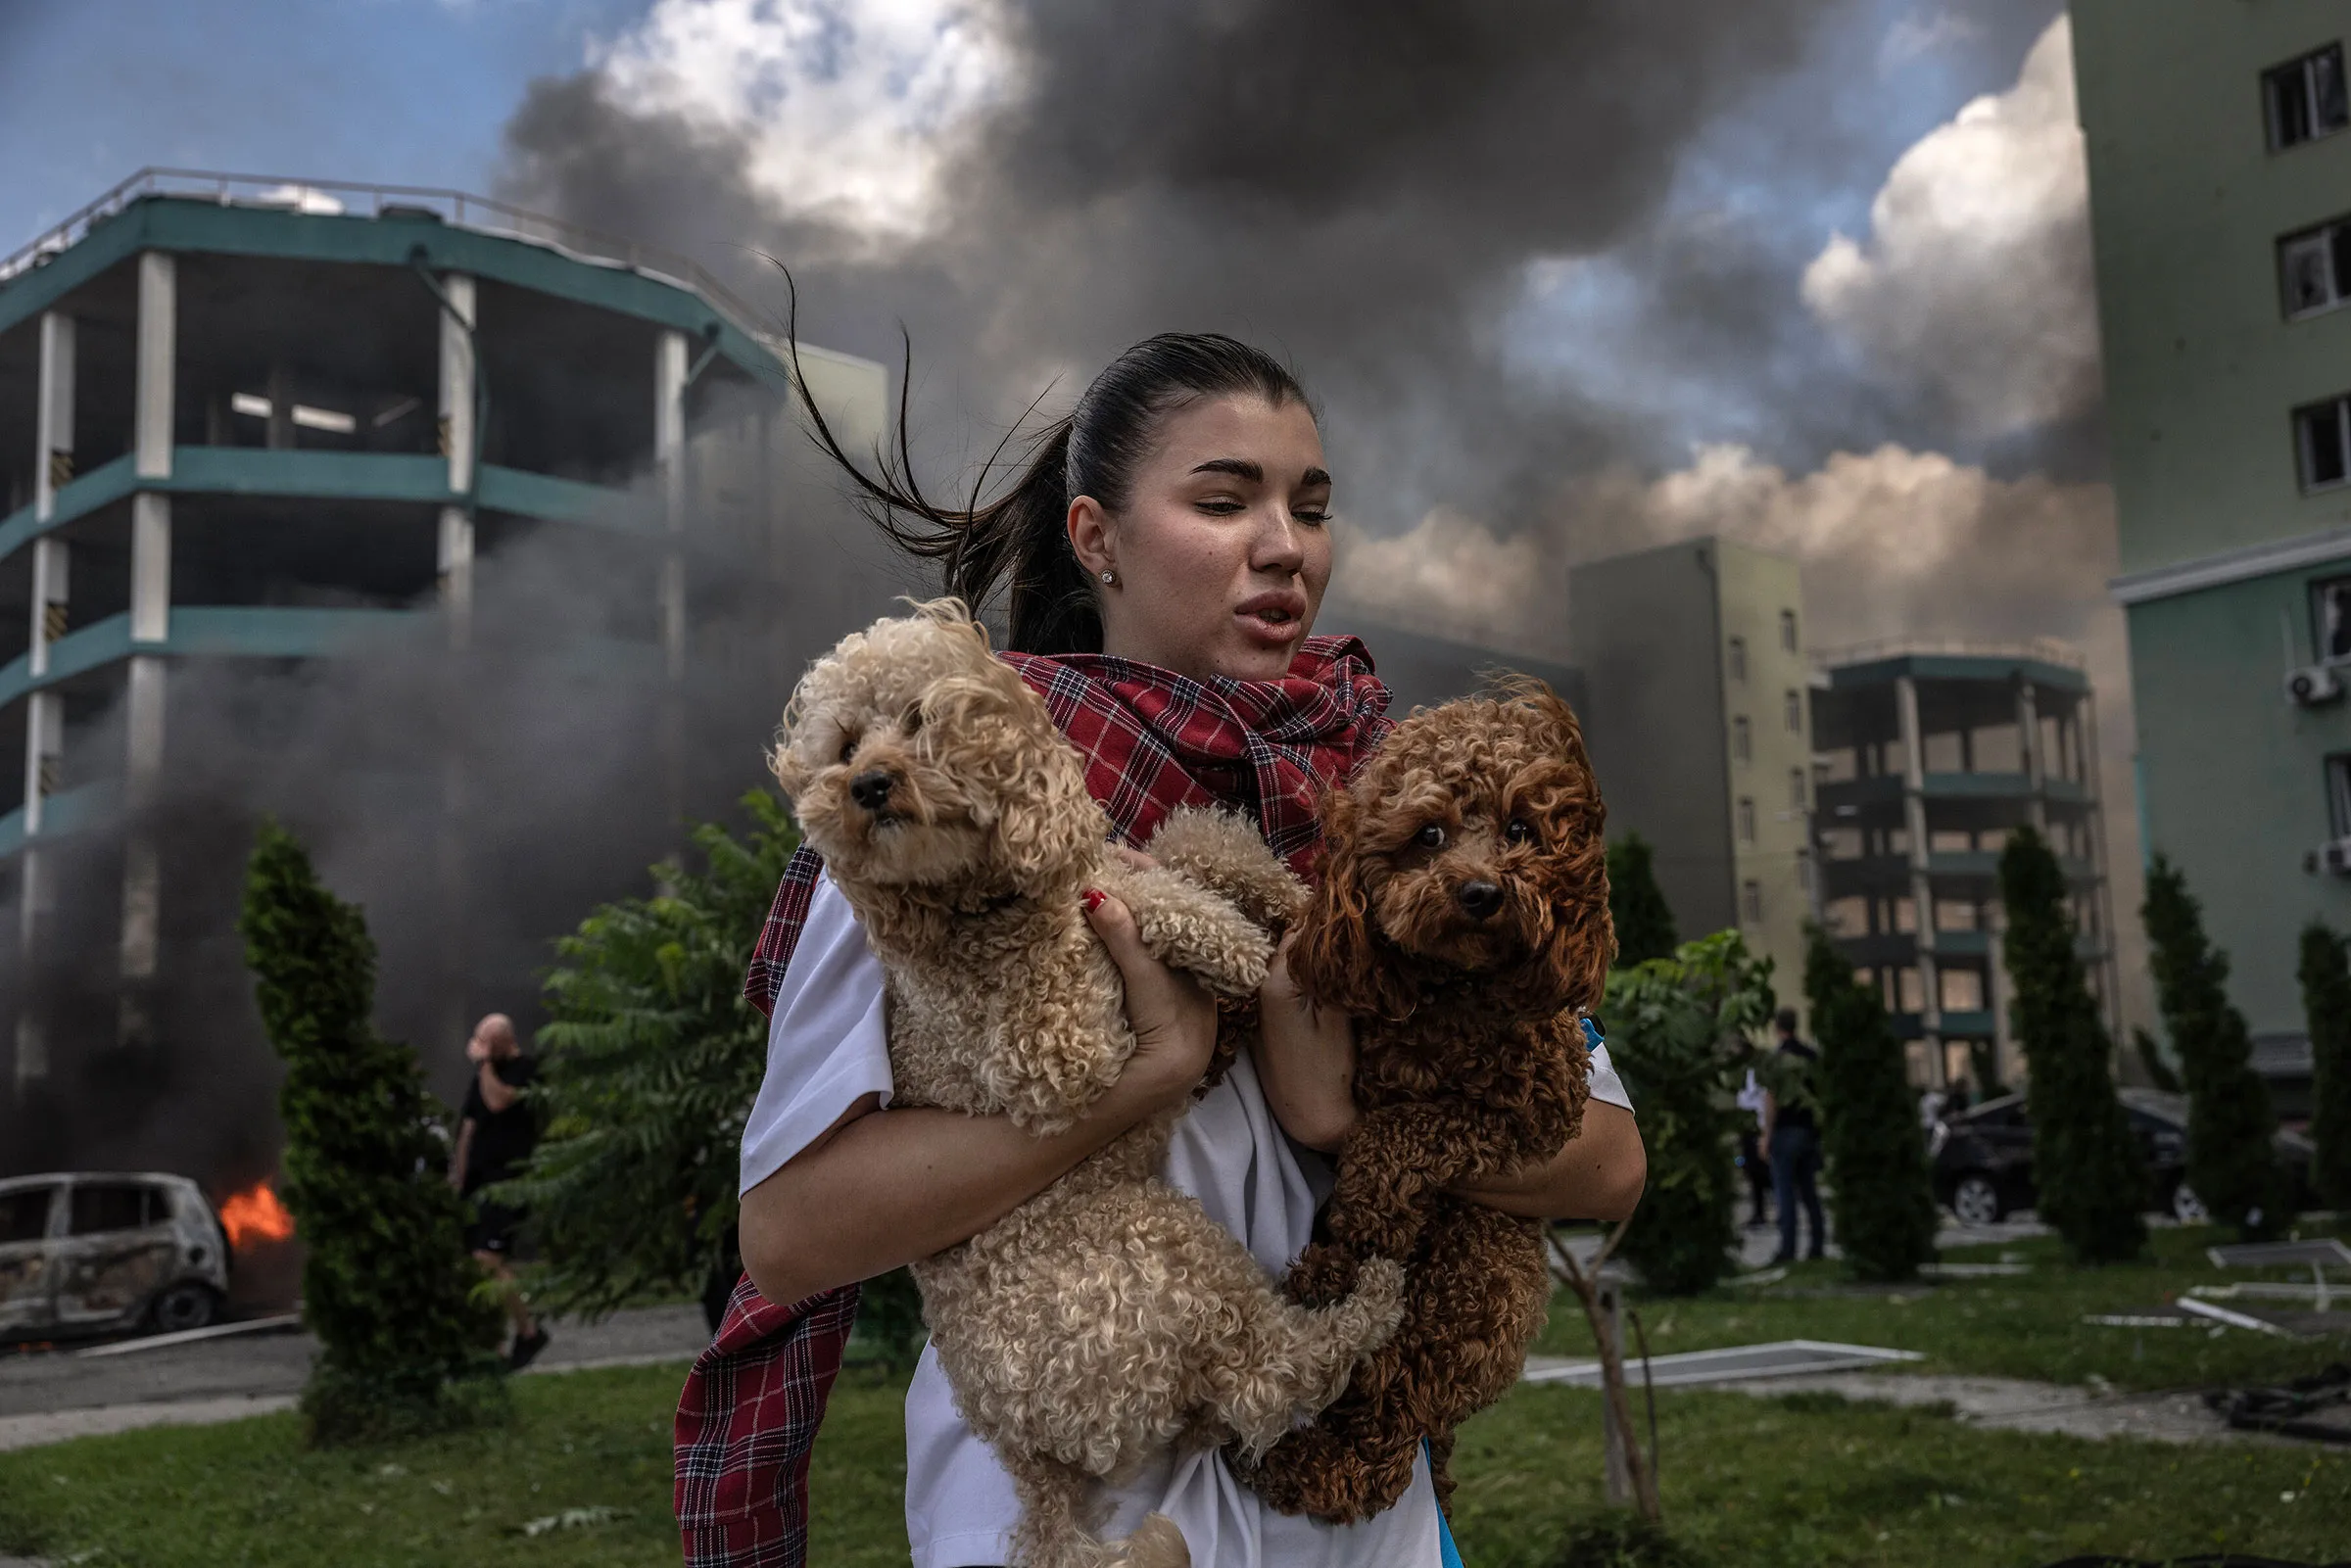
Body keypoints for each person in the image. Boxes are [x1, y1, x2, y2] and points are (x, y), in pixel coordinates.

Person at [679, 333, 1649, 1568]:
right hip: (1071, 1508)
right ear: (1095, 538)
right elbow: (793, 1230)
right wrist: (1134, 1083)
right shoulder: (945, 796)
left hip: (1351, 1508)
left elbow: (1610, 1159)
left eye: (1311, 506)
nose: (1284, 544)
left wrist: (1339, 1116)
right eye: (1223, 498)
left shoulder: (1403, 809)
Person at [447, 1012, 549, 1369]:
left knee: (488, 1260)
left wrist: (486, 1062)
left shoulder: (525, 1069)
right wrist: (459, 1178)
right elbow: (469, 1128)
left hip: (509, 1183)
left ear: (505, 1040)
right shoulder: (481, 1078)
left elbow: (498, 1101)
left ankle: (529, 1331)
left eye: (487, 1042)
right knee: (475, 1267)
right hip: (478, 1186)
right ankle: (493, 1346)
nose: (480, 1049)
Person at [1759, 1007, 1825, 1265]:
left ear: (1777, 1027)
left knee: (1785, 1191)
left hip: (1786, 1131)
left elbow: (1771, 1099)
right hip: (1808, 1129)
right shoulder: (1810, 1056)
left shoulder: (1777, 1059)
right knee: (1809, 1190)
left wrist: (1766, 1135)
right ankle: (1816, 1246)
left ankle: (1788, 1249)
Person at [1735, 1067, 1772, 1228]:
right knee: (1754, 1174)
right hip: (1751, 1128)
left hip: (1758, 1128)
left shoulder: (1757, 1073)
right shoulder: (1744, 1075)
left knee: (1761, 1173)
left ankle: (1763, 1212)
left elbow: (1763, 1101)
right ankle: (1759, 1212)